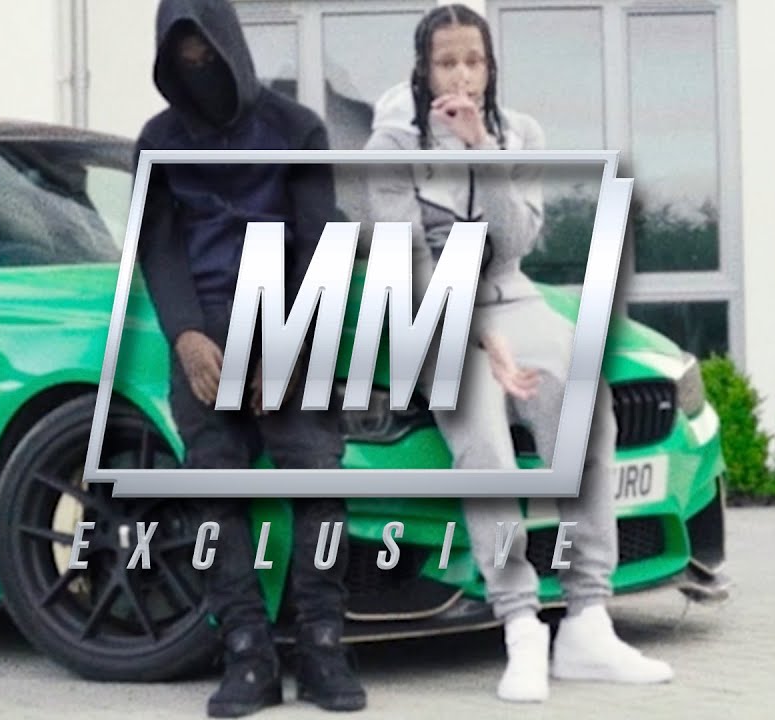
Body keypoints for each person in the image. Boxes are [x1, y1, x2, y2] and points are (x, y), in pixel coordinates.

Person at [362, 3, 674, 704]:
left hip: (510, 293)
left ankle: (588, 620)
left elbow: (517, 241)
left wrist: (482, 152)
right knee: (482, 438)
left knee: (582, 407)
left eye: (474, 61)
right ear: (422, 70)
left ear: (490, 67)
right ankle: (521, 625)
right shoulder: (389, 144)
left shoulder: (519, 133)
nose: (462, 76)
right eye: (447, 62)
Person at [135, 0, 366, 716]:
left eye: (208, 54)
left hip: (290, 322)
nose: (199, 69)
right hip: (204, 335)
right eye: (184, 61)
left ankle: (323, 645)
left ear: (232, 47)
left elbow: (319, 241)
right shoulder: (156, 142)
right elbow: (158, 248)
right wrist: (185, 335)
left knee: (317, 476)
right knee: (212, 487)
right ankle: (246, 652)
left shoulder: (298, 129)